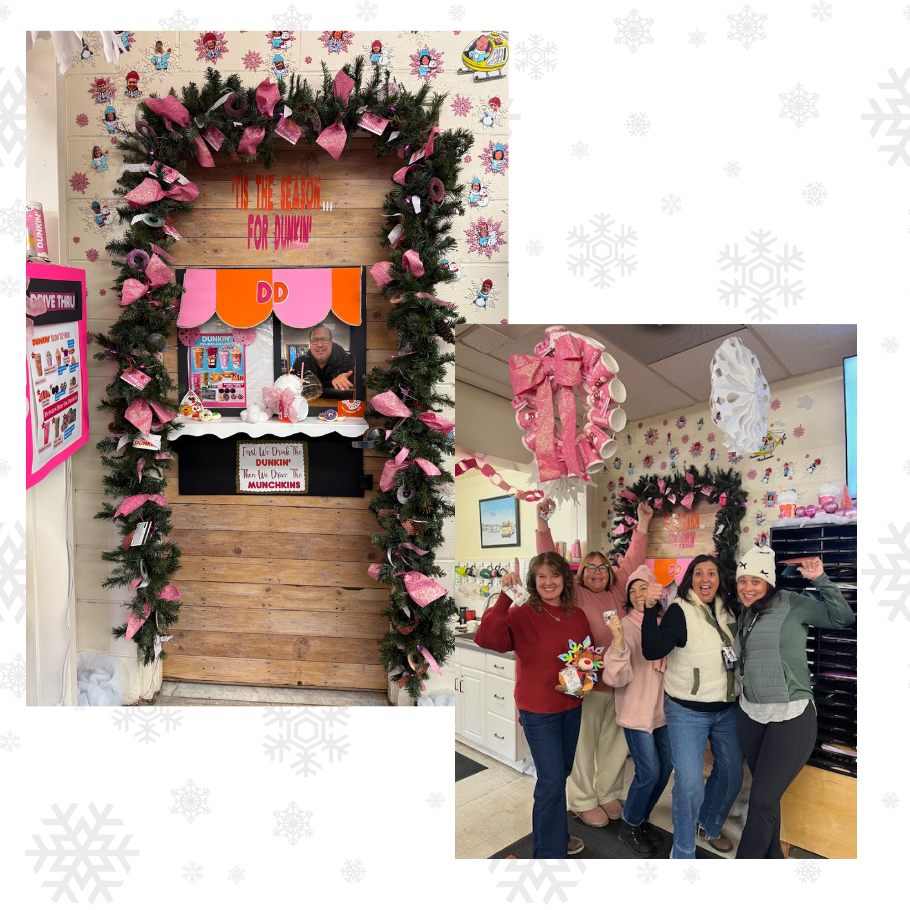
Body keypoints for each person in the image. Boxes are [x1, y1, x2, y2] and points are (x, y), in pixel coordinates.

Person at [500, 498, 653, 831]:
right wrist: (542, 522)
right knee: (583, 747)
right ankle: (583, 800)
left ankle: (608, 791)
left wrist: (642, 523)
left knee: (615, 744)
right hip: (583, 687)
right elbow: (549, 559)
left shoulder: (617, 592)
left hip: (622, 682)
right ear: (580, 573)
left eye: (603, 567)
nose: (598, 572)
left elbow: (633, 560)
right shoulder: (575, 595)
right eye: (591, 567)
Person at [733, 547, 854, 859]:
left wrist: (821, 580)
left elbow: (843, 618)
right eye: (742, 580)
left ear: (769, 583)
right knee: (766, 800)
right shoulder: (746, 613)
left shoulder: (792, 603)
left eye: (755, 581)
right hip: (751, 714)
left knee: (760, 800)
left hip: (791, 715)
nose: (747, 587)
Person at [475, 552, 592, 859]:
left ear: (565, 579)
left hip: (571, 707)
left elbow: (585, 658)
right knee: (551, 780)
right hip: (538, 711)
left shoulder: (576, 615)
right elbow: (485, 638)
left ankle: (556, 834)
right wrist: (503, 597)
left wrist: (583, 680)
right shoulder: (522, 614)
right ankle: (547, 854)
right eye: (541, 576)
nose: (548, 582)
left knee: (561, 773)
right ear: (533, 581)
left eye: (554, 575)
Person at [641, 554, 743, 859]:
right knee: (688, 786)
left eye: (712, 573)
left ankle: (708, 823)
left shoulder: (729, 610)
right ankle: (683, 849)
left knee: (731, 774)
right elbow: (653, 649)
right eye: (698, 573)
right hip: (687, 711)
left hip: (727, 709)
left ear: (720, 579)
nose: (705, 579)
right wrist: (649, 611)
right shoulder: (679, 611)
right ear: (690, 579)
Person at [601, 566, 672, 857]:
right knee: (649, 771)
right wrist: (618, 644)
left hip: (664, 713)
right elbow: (615, 679)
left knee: (665, 769)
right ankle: (629, 824)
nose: (638, 594)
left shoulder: (666, 622)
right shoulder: (626, 627)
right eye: (633, 590)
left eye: (644, 587)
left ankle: (641, 818)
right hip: (636, 713)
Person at [290, 324, 356, 395]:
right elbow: (292, 391)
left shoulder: (349, 361)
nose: (320, 345)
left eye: (324, 339)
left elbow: (355, 394)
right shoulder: (300, 362)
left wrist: (344, 385)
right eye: (315, 340)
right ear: (310, 343)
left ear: (331, 343)